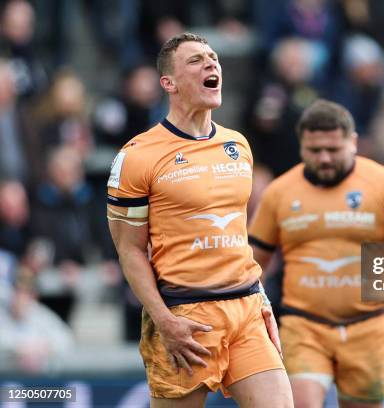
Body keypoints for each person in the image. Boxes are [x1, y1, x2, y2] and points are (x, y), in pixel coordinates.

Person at [106, 32, 293, 408]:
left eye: (214, 58)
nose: (211, 64)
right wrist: (163, 320)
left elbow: (235, 234)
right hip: (184, 317)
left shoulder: (238, 145)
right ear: (168, 83)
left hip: (246, 310)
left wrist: (261, 298)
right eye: (196, 60)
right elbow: (129, 251)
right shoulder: (137, 156)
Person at [248, 99, 384, 407]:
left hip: (371, 326)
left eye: (333, 150)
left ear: (353, 142)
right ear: (301, 146)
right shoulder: (280, 193)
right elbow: (253, 262)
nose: (324, 159)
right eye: (314, 150)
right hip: (304, 325)